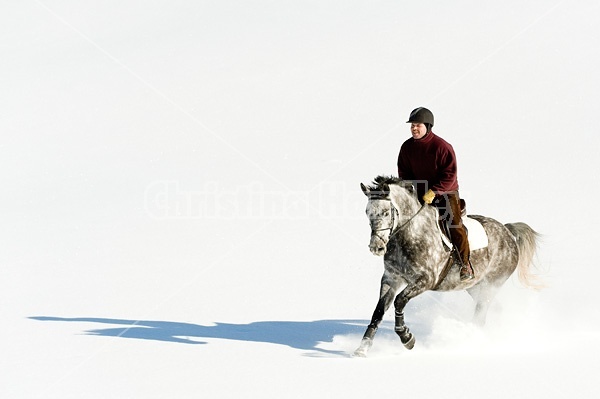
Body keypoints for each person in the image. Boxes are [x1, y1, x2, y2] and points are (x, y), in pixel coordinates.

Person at [397, 107, 474, 281]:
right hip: (420, 193)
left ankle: (465, 264)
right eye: (412, 126)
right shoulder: (407, 147)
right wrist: (408, 190)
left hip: (446, 193)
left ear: (428, 126)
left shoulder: (442, 147)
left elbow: (450, 175)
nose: (414, 128)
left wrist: (434, 191)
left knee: (454, 224)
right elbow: (404, 173)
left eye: (418, 125)